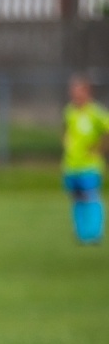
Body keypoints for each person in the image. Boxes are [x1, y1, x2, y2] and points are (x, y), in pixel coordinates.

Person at [61, 75, 109, 245]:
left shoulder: (95, 112)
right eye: (73, 90)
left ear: (87, 92)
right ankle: (81, 232)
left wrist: (99, 149)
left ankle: (94, 233)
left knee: (91, 197)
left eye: (78, 90)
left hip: (90, 165)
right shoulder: (70, 111)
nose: (74, 93)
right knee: (76, 198)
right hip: (72, 164)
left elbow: (106, 130)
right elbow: (67, 131)